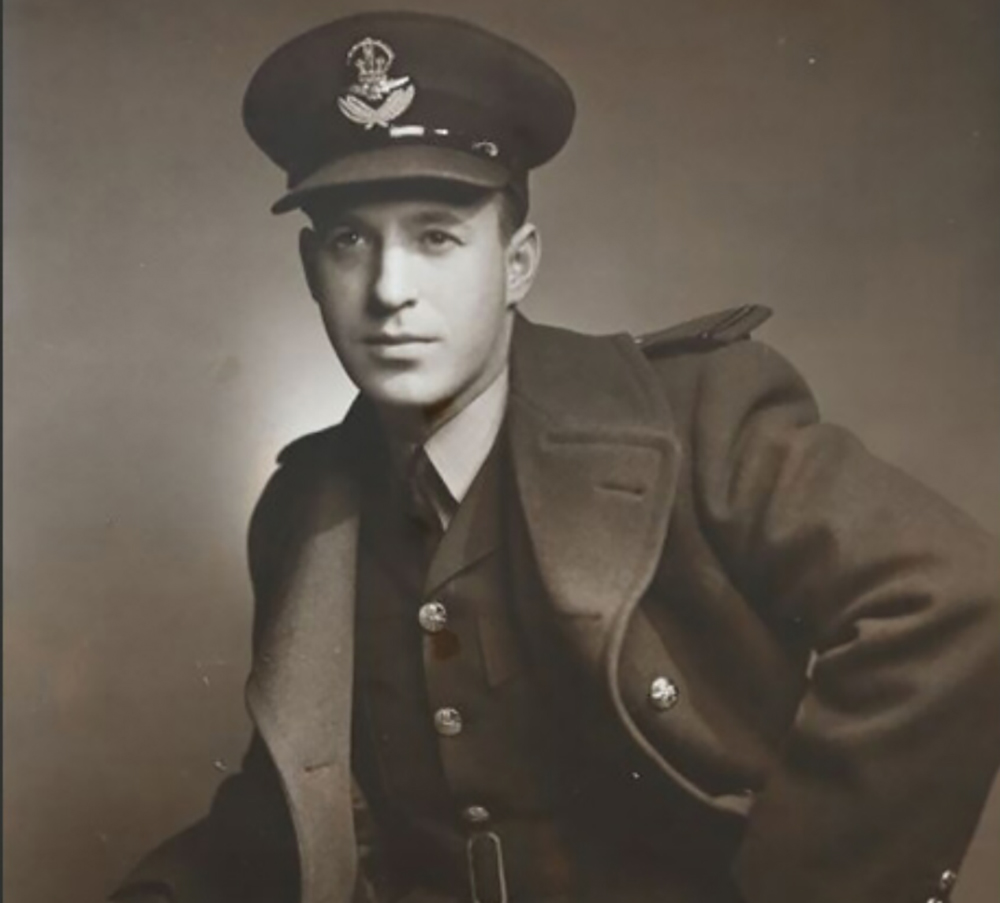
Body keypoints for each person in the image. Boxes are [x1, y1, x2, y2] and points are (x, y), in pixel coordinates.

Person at [110, 11, 1000, 903]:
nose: (388, 289)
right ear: (312, 270)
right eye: (351, 240)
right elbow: (296, 810)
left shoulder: (698, 418)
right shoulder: (304, 509)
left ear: (519, 261)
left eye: (436, 236)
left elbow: (949, 600)